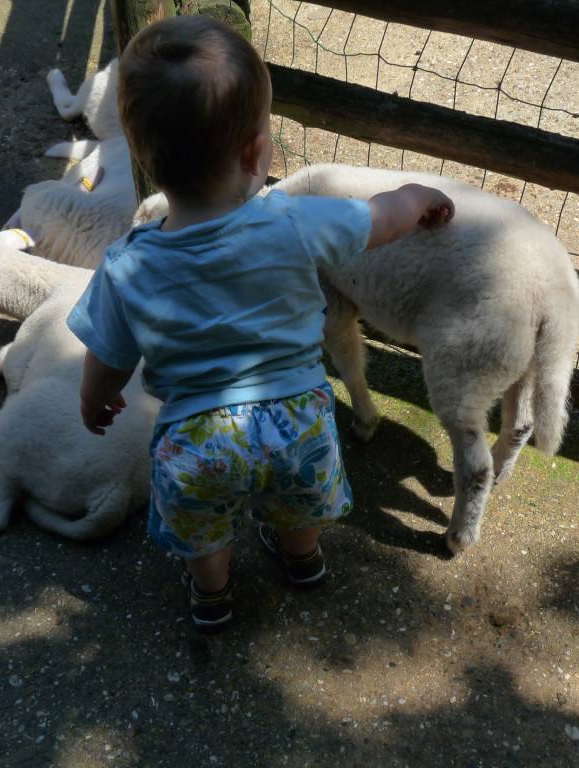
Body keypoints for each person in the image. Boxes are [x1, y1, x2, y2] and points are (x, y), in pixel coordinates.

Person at [67, 14, 454, 631]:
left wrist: (95, 401)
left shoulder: (126, 265)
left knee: (204, 534)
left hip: (195, 441)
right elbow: (378, 220)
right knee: (298, 503)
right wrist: (416, 196)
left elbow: (107, 358)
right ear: (255, 152)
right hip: (298, 419)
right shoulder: (293, 221)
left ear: (138, 152)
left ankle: (212, 596)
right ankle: (302, 558)